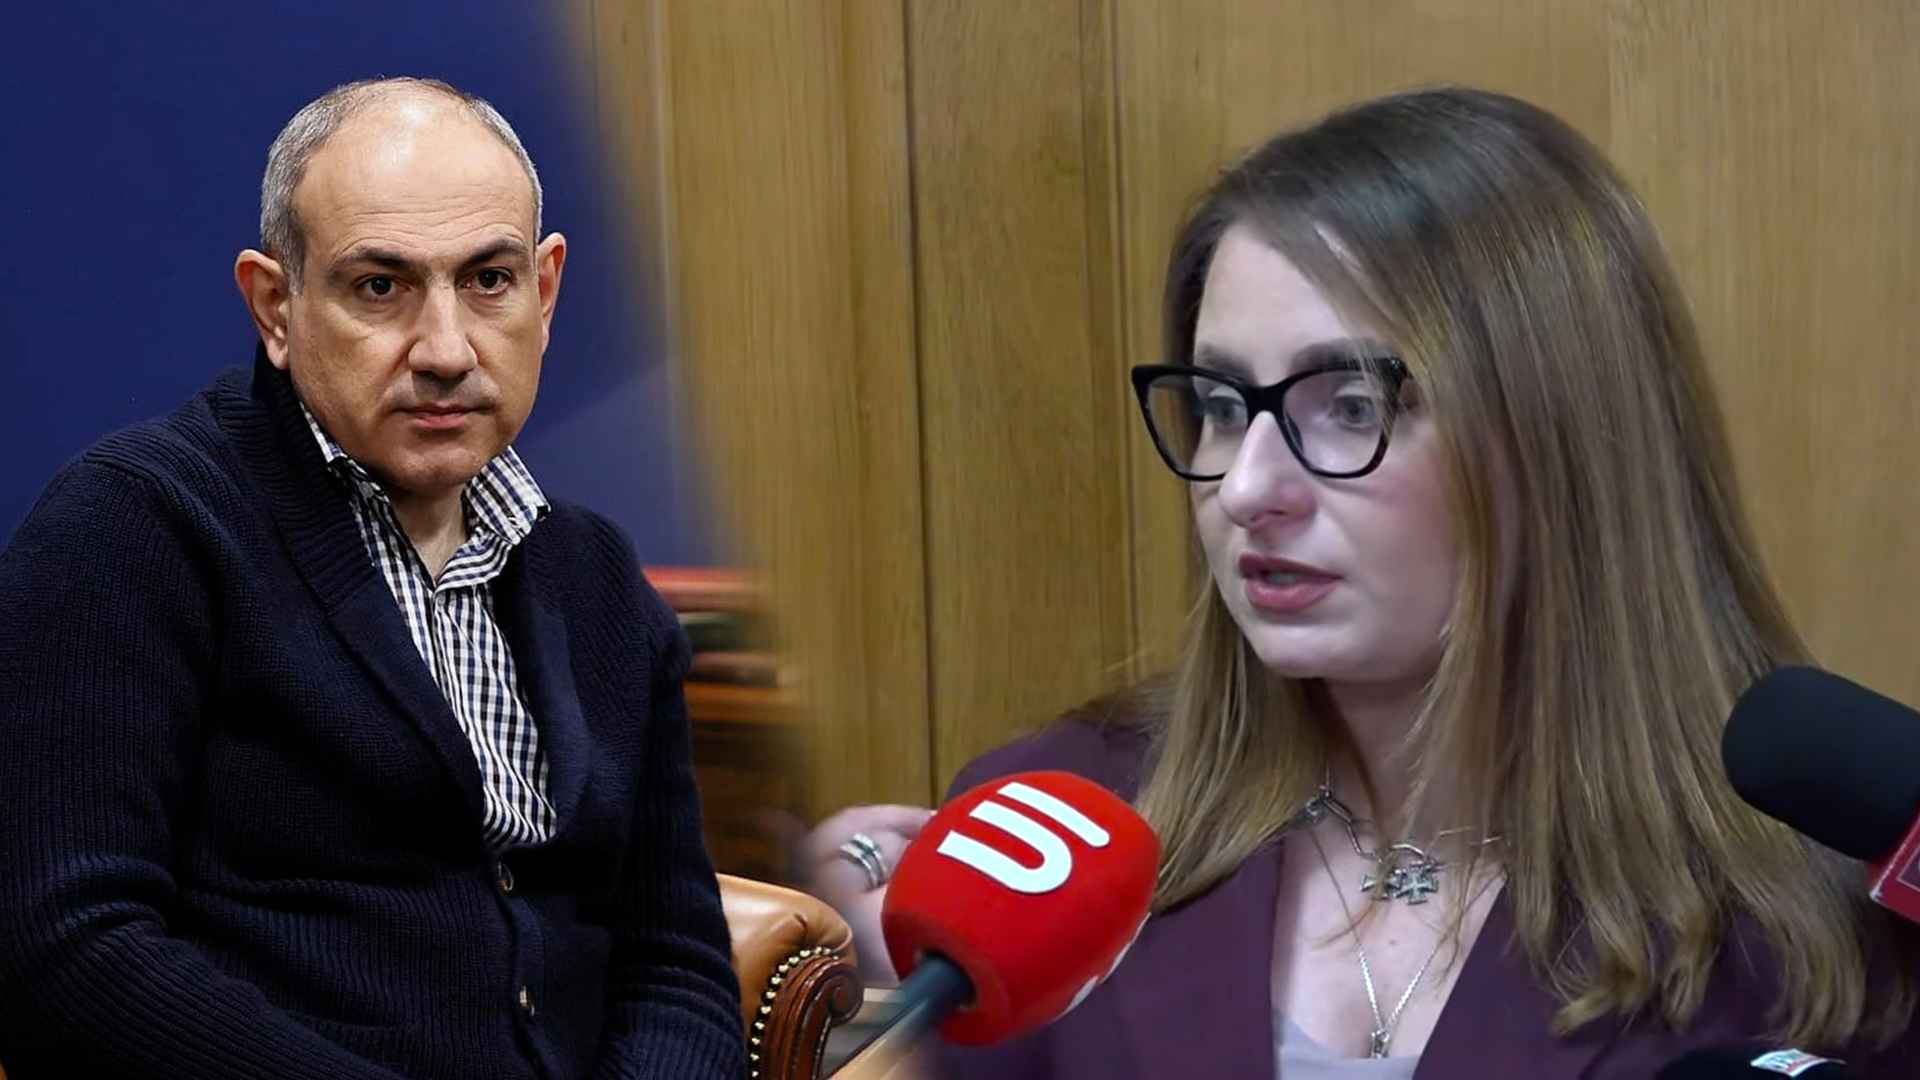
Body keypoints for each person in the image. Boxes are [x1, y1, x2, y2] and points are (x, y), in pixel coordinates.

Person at [805, 86, 1920, 1078]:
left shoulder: (1815, 928)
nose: (1247, 488)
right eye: (1224, 406)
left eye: (1350, 407)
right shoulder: (1045, 836)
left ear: (1561, 446)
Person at [0, 77, 744, 1080]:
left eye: (489, 280)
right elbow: (65, 948)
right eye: (380, 287)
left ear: (546, 291)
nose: (446, 350)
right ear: (276, 307)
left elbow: (675, 966)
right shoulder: (134, 526)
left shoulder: (600, 580)